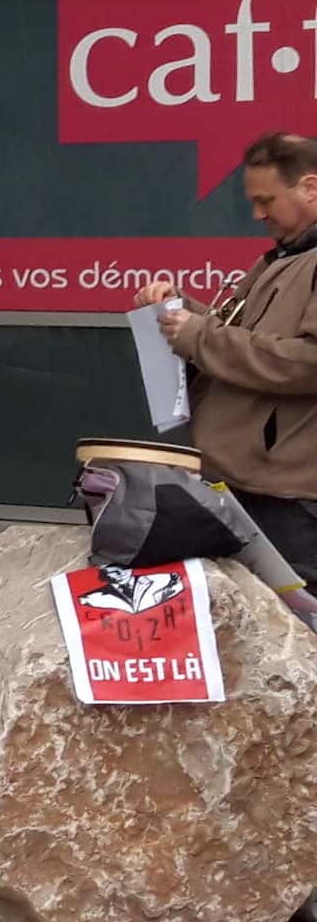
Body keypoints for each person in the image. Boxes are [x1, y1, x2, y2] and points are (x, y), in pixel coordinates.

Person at [137, 131, 317, 584]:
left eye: (266, 200)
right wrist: (181, 310)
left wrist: (199, 336)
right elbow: (237, 333)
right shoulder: (284, 256)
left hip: (288, 498)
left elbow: (308, 363)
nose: (257, 214)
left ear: (311, 188)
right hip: (246, 483)